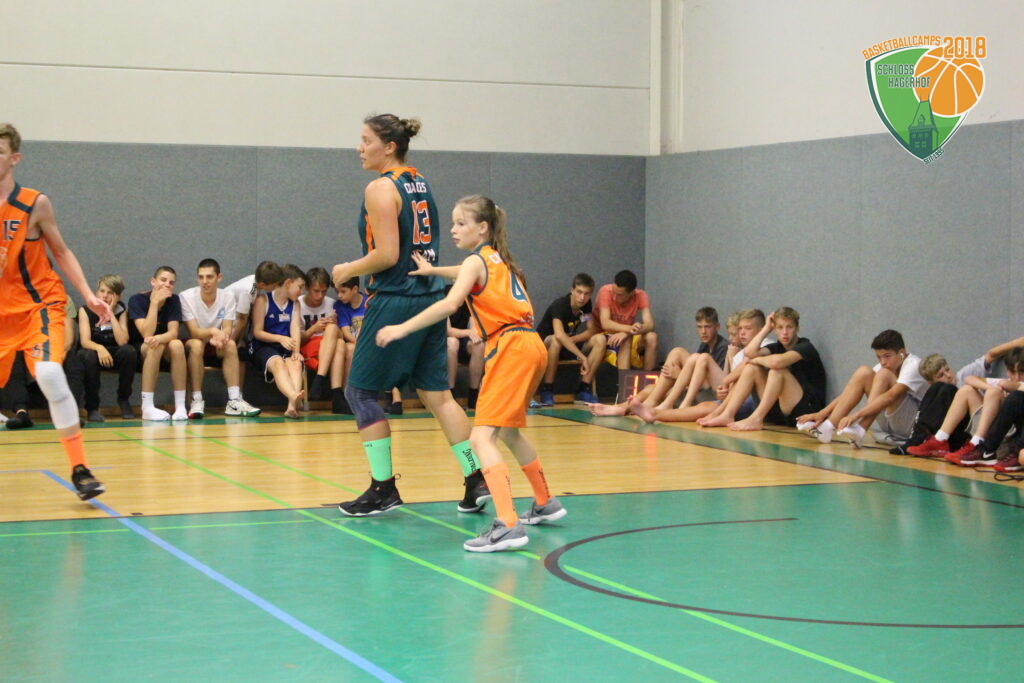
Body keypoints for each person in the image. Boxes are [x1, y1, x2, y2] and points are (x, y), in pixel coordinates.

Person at [377, 195, 566, 552]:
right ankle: (544, 502)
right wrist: (433, 271)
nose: (453, 229)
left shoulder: (476, 261)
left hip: (510, 348)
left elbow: (450, 303)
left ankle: (508, 524)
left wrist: (402, 328)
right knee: (508, 432)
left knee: (481, 439)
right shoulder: (496, 259)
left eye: (460, 223)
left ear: (482, 227)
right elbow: (464, 273)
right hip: (530, 345)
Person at [331, 114, 488, 517]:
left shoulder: (380, 188)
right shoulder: (419, 181)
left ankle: (382, 488)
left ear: (389, 147)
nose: (359, 148)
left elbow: (387, 254)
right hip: (430, 295)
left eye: (366, 140)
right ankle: (476, 476)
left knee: (360, 393)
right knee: (438, 395)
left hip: (396, 297)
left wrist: (347, 269)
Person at [0, 122, 109, 499]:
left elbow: (60, 251)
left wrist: (88, 295)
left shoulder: (34, 203)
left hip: (39, 305)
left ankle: (80, 469)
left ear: (14, 159)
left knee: (48, 373)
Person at [675, 307, 826, 431]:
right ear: (775, 329)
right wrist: (766, 328)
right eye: (780, 328)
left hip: (806, 411)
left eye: (789, 327)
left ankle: (756, 418)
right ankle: (727, 414)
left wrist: (757, 359)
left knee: (777, 371)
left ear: (797, 328)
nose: (784, 332)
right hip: (780, 412)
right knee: (752, 368)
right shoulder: (776, 346)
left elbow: (776, 362)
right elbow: (749, 353)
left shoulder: (805, 346)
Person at [796, 329, 927, 447]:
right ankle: (828, 427)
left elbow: (890, 396)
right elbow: (848, 393)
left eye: (887, 356)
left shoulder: (913, 364)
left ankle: (861, 428)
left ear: (902, 353)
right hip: (891, 423)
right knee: (864, 372)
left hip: (913, 425)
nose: (883, 362)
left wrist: (856, 415)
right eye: (879, 357)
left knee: (884, 374)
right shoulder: (884, 366)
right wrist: (822, 413)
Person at [907, 347, 1024, 464]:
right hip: (985, 428)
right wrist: (991, 388)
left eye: (1021, 372)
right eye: (1013, 372)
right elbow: (969, 378)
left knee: (993, 393)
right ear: (1007, 371)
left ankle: (978, 444)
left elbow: (1013, 385)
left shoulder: (1011, 384)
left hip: (1005, 436)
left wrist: (1005, 386)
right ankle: (940, 439)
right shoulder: (1003, 382)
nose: (1017, 377)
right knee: (966, 390)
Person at [179, 258, 260, 418]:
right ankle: (196, 399)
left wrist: (223, 336)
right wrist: (213, 332)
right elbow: (194, 332)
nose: (205, 281)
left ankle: (234, 400)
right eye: (201, 277)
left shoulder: (227, 296)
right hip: (192, 343)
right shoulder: (186, 296)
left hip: (216, 342)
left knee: (230, 345)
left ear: (219, 277)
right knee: (197, 344)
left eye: (209, 277)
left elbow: (228, 327)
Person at [533, 273, 604, 406]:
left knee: (600, 339)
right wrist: (582, 357)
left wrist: (573, 340)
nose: (582, 298)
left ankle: (583, 389)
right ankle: (547, 389)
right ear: (572, 290)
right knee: (556, 340)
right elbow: (559, 334)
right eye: (579, 292)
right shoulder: (560, 305)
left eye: (587, 294)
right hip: (545, 347)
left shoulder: (586, 306)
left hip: (567, 345)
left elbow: (591, 330)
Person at [128, 266, 188, 421]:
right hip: (141, 347)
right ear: (153, 281)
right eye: (163, 280)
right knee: (155, 346)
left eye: (171, 282)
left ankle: (180, 406)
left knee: (177, 345)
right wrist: (154, 303)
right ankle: (147, 407)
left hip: (162, 343)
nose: (167, 284)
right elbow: (146, 333)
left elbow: (173, 333)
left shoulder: (174, 300)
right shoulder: (136, 300)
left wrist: (159, 338)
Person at [249, 264, 306, 418]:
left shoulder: (295, 304)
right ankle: (294, 395)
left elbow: (295, 328)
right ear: (288, 283)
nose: (301, 292)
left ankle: (291, 407)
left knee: (296, 363)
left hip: (285, 345)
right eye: (300, 287)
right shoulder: (263, 300)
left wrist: (296, 351)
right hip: (264, 346)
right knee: (278, 363)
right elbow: (257, 332)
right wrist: (280, 338)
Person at [77, 274, 137, 421]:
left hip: (113, 351)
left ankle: (123, 399)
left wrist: (110, 313)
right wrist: (99, 348)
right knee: (89, 356)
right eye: (102, 291)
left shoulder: (121, 310)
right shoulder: (85, 310)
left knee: (129, 351)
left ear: (118, 296)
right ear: (96, 292)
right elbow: (85, 341)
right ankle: (92, 407)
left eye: (110, 293)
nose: (105, 296)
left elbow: (122, 341)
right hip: (93, 350)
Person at [593, 269, 658, 371]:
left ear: (631, 293)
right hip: (605, 335)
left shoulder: (640, 295)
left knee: (652, 337)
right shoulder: (605, 291)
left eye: (619, 295)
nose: (615, 297)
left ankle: (646, 378)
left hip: (626, 334)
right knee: (626, 339)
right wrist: (629, 330)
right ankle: (624, 378)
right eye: (614, 292)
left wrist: (628, 332)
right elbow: (606, 323)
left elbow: (650, 325)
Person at [299, 266, 340, 402]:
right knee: (338, 343)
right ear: (307, 288)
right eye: (316, 291)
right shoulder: (298, 304)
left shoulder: (332, 304)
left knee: (337, 337)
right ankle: (337, 395)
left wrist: (335, 325)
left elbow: (341, 335)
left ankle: (320, 379)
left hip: (329, 346)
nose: (320, 296)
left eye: (324, 291)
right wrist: (313, 329)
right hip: (308, 347)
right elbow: (296, 341)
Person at [332, 275, 366, 414]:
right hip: (354, 344)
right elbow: (346, 333)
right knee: (350, 349)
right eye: (337, 292)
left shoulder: (369, 302)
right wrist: (358, 344)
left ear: (355, 289)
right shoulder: (340, 306)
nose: (339, 295)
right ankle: (348, 394)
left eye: (343, 291)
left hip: (369, 343)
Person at [447, 300, 485, 409]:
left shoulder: (470, 300)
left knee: (479, 345)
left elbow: (474, 329)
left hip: (463, 341)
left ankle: (473, 393)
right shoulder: (444, 297)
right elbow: (448, 331)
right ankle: (450, 393)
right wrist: (468, 332)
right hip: (444, 342)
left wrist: (472, 333)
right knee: (452, 343)